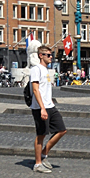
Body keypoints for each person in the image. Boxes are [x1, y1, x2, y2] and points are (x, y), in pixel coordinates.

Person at [29, 45, 67, 173]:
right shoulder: (36, 69)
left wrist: (50, 103)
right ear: (41, 56)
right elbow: (35, 89)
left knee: (62, 130)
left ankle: (44, 153)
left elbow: (46, 89)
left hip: (50, 106)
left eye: (51, 55)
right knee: (41, 134)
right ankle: (38, 164)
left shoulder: (46, 70)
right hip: (40, 107)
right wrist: (42, 108)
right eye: (48, 55)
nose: (51, 57)